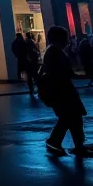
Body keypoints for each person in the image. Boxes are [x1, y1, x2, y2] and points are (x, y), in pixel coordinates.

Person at [39, 25, 86, 156]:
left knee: (69, 117)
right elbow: (62, 72)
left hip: (60, 91)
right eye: (64, 38)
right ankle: (64, 142)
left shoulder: (52, 51)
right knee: (71, 116)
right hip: (62, 91)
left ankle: (64, 142)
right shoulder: (55, 52)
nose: (67, 41)